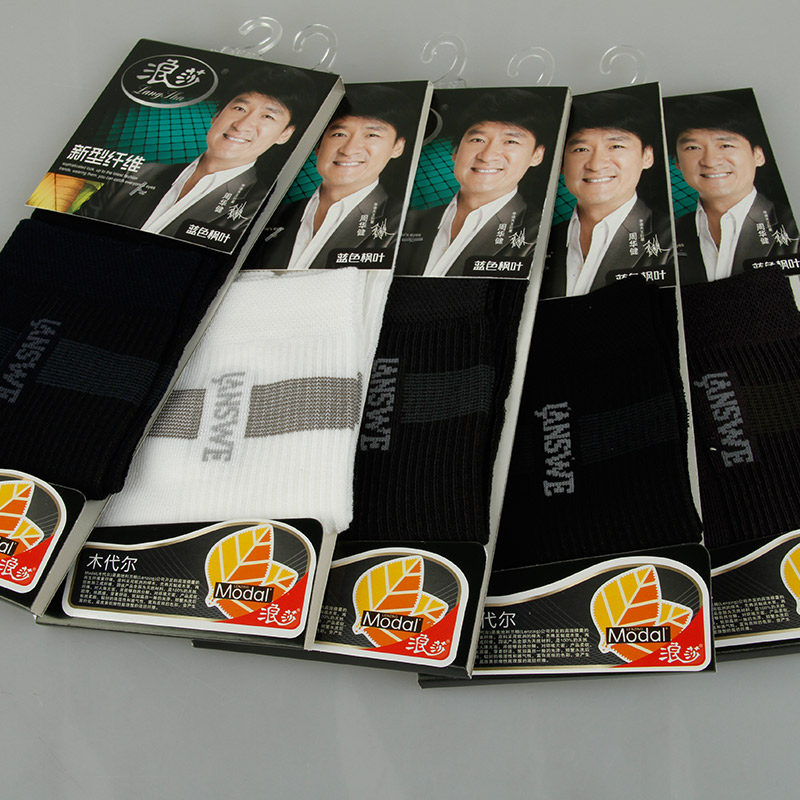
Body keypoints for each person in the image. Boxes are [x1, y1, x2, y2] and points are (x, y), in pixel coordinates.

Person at [74, 64, 305, 241]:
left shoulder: (262, 208)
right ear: (216, 115)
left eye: (267, 116)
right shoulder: (137, 172)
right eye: (239, 108)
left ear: (285, 134)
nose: (242, 124)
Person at [248, 84, 413, 270]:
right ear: (318, 146)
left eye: (372, 135)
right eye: (339, 134)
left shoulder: (405, 224)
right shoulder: (272, 213)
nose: (349, 150)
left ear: (397, 147)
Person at [396, 90, 551, 277]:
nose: (487, 156)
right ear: (455, 151)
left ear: (537, 155)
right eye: (478, 140)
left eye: (510, 141)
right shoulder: (407, 222)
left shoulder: (540, 236)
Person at [540, 90, 672, 299]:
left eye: (616, 146)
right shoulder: (539, 239)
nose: (596, 164)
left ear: (647, 156)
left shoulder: (672, 239)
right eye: (581, 149)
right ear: (561, 163)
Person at [666, 92, 799, 284]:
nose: (710, 161)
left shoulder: (793, 227)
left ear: (758, 155)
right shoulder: (666, 237)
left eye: (726, 145)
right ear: (677, 162)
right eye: (693, 148)